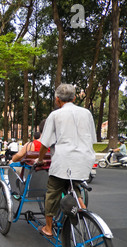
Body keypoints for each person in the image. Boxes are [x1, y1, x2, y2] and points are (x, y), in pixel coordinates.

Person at [36, 84, 97, 238]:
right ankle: (82, 210)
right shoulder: (87, 113)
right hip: (85, 160)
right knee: (75, 184)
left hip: (63, 161)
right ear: (74, 98)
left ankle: (48, 228)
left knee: (52, 192)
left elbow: (45, 143)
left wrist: (41, 159)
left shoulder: (55, 115)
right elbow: (92, 139)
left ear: (57, 100)